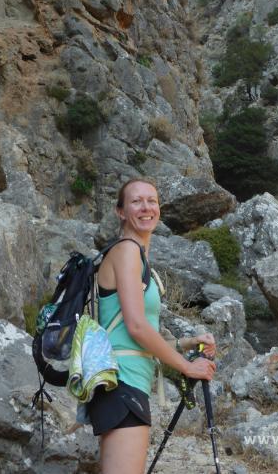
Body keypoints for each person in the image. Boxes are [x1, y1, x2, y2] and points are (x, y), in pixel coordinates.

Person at [88, 177, 216, 474]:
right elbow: (136, 327)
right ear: (121, 212)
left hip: (126, 386)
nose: (146, 207)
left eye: (152, 201)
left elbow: (135, 340)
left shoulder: (137, 256)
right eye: (136, 201)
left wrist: (187, 342)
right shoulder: (126, 251)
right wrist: (187, 367)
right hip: (122, 385)